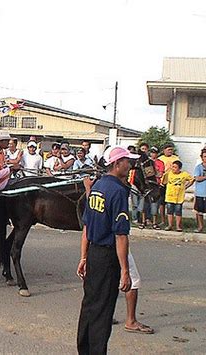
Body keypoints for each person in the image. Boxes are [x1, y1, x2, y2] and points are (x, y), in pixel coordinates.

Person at [77, 146, 139, 355]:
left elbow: (87, 227)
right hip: (106, 255)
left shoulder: (97, 186)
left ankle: (84, 348)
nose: (129, 165)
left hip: (93, 253)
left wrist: (83, 257)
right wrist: (125, 270)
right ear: (117, 164)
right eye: (127, 162)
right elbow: (121, 235)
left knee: (89, 304)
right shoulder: (118, 191)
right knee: (103, 310)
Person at [162, 160, 194, 231]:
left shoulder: (184, 174)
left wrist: (186, 186)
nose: (173, 168)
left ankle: (178, 226)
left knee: (178, 211)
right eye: (172, 167)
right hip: (170, 196)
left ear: (179, 168)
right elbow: (163, 181)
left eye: (175, 167)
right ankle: (170, 225)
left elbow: (192, 180)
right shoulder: (169, 174)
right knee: (169, 211)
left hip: (179, 197)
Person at [148, 146, 165, 228]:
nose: (153, 154)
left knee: (155, 204)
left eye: (154, 153)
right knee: (147, 204)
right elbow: (147, 174)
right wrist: (155, 173)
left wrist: (154, 173)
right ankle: (147, 220)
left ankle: (155, 221)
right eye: (151, 152)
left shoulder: (160, 163)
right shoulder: (147, 162)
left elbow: (160, 174)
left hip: (156, 185)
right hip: (148, 185)